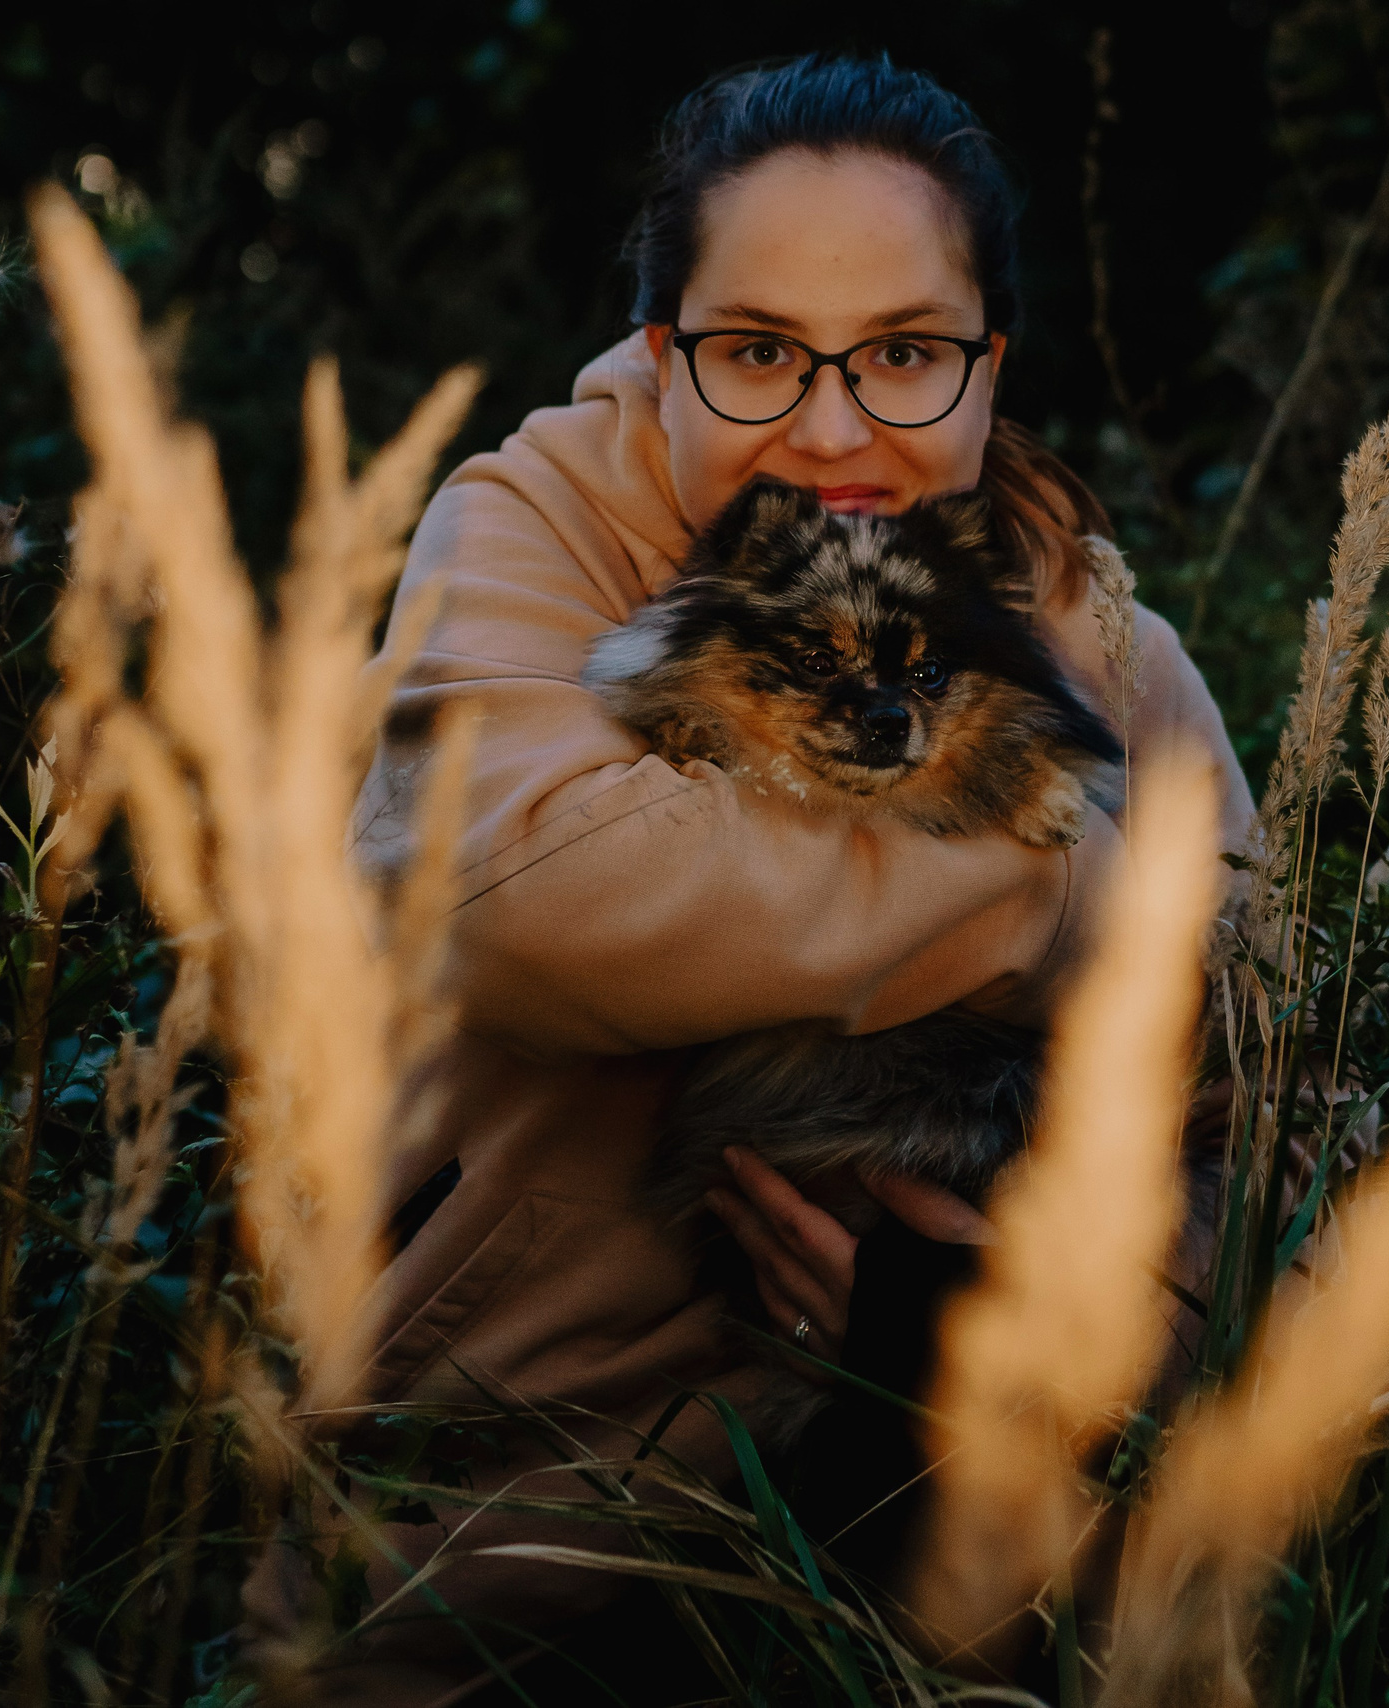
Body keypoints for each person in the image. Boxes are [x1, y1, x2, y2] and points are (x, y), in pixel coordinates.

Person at [261, 54, 1255, 1705]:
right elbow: (517, 898)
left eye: (907, 355)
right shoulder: (533, 534)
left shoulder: (1108, 635)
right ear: (665, 358)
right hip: (512, 1537)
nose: (836, 427)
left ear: (986, 368)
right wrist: (1056, 874)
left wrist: (969, 1323)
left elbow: (1268, 1079)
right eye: (759, 353)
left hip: (955, 1556)